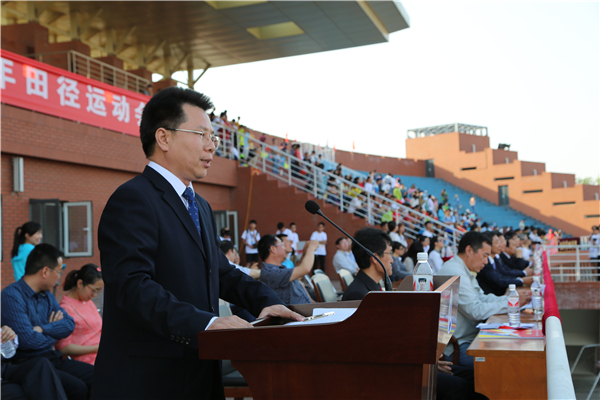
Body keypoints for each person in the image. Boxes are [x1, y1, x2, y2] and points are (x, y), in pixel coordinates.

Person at [91, 87, 301, 400]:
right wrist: (208, 322)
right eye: (201, 134)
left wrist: (266, 302)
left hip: (199, 373)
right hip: (151, 380)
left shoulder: (198, 204)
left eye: (213, 137)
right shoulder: (133, 199)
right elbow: (132, 288)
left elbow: (221, 271)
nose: (211, 145)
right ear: (164, 138)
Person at [1, 243, 94, 399]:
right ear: (45, 271)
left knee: (97, 376)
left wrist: (43, 329)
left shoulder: (47, 295)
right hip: (28, 363)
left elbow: (69, 324)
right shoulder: (12, 296)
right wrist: (55, 332)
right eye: (59, 271)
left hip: (52, 357)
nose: (60, 276)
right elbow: (27, 340)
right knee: (78, 388)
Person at [437, 232, 530, 369]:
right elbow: (475, 311)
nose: (486, 262)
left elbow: (482, 297)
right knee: (509, 362)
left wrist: (511, 299)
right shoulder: (454, 271)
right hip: (461, 345)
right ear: (469, 250)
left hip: (471, 337)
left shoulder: (463, 268)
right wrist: (511, 303)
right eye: (485, 256)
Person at [1, 325, 68, 400]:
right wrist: (52, 338)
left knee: (41, 364)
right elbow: (27, 341)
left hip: (4, 367)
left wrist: (8, 336)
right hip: (30, 355)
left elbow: (68, 325)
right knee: (25, 392)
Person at [55, 264, 104, 365]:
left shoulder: (87, 301)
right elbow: (63, 348)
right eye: (93, 290)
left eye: (98, 292)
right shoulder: (65, 309)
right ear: (80, 283)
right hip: (86, 362)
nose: (94, 295)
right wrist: (96, 348)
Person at [258, 235, 319, 305]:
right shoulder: (269, 273)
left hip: (307, 307)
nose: (284, 248)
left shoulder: (279, 268)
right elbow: (305, 269)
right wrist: (311, 248)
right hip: (300, 311)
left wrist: (305, 252)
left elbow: (299, 274)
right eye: (282, 245)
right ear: (273, 249)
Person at [342, 228, 393, 301]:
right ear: (375, 258)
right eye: (389, 253)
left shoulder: (374, 286)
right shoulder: (357, 295)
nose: (392, 260)